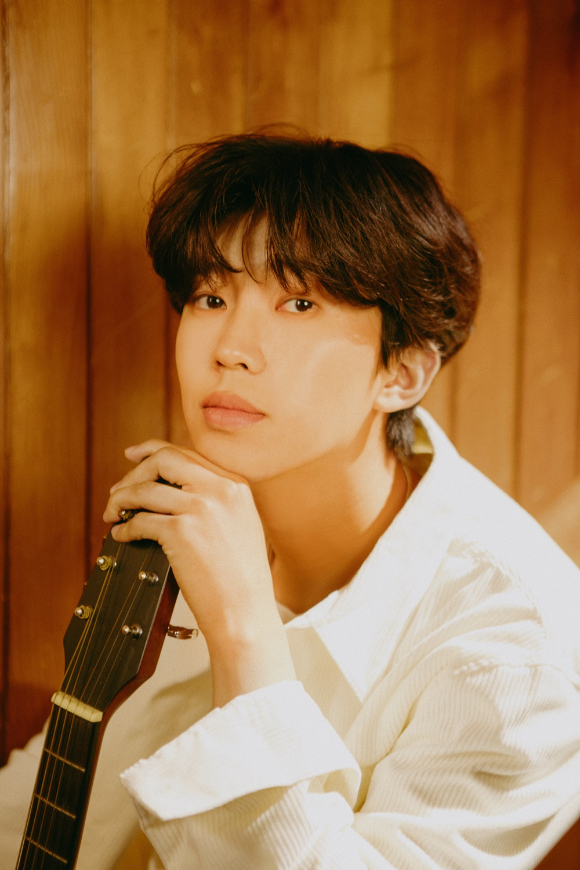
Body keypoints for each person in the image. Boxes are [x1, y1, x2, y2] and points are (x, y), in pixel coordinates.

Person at [2, 133, 580, 870]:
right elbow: (44, 806)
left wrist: (243, 629)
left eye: (298, 303)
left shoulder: (514, 656)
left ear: (402, 373)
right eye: (211, 297)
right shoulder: (193, 516)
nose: (230, 348)